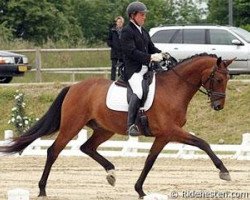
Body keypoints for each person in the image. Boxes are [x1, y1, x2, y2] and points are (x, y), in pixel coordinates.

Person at [121, 1, 164, 136]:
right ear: (133, 15)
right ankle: (131, 125)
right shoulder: (127, 31)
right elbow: (131, 52)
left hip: (146, 69)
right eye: (142, 14)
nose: (144, 17)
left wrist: (162, 54)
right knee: (139, 92)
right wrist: (150, 58)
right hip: (133, 70)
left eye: (144, 15)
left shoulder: (143, 31)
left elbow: (151, 48)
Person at [107, 16, 124, 81]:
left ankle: (121, 79)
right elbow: (109, 40)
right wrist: (113, 45)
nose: (119, 23)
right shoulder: (112, 31)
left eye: (121, 22)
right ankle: (112, 80)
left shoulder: (125, 31)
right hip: (114, 51)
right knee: (114, 67)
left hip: (122, 52)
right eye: (118, 22)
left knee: (121, 66)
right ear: (116, 23)